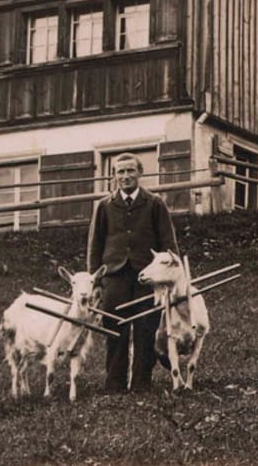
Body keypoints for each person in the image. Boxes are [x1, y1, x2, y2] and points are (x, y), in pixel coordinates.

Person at [87, 151, 178, 393]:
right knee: (115, 328)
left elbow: (168, 244)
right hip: (114, 277)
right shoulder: (104, 206)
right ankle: (115, 383)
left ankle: (141, 383)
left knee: (146, 329)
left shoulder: (155, 203)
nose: (125, 176)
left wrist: (168, 277)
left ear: (140, 172)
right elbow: (95, 244)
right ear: (114, 176)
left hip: (147, 278)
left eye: (130, 171)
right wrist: (94, 280)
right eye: (120, 172)